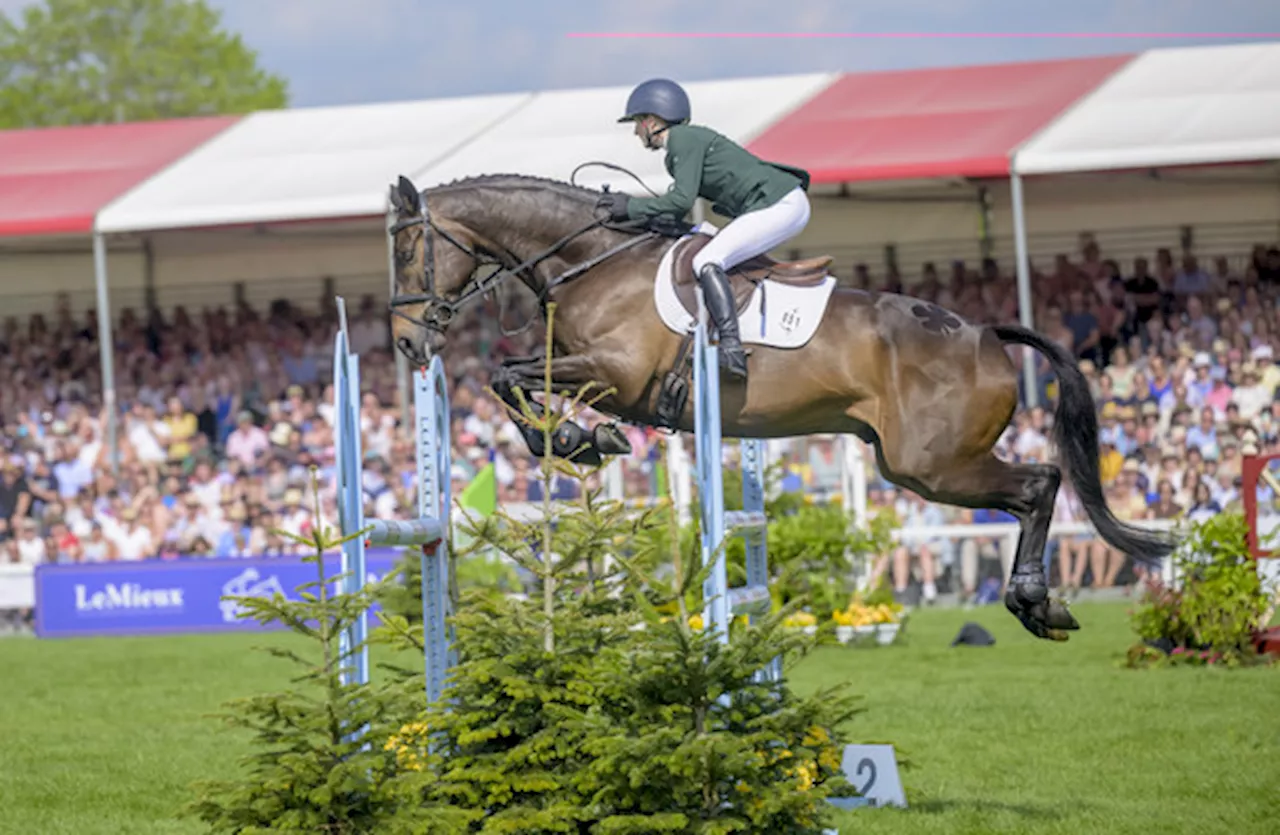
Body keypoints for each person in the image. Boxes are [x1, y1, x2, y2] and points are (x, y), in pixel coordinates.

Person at [598, 78, 812, 381]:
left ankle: (731, 348)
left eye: (636, 123)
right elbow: (680, 208)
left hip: (780, 204)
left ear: (651, 120)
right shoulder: (682, 145)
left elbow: (680, 199)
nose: (635, 131)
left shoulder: (682, 139)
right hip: (775, 204)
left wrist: (629, 208)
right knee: (708, 247)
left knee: (706, 260)